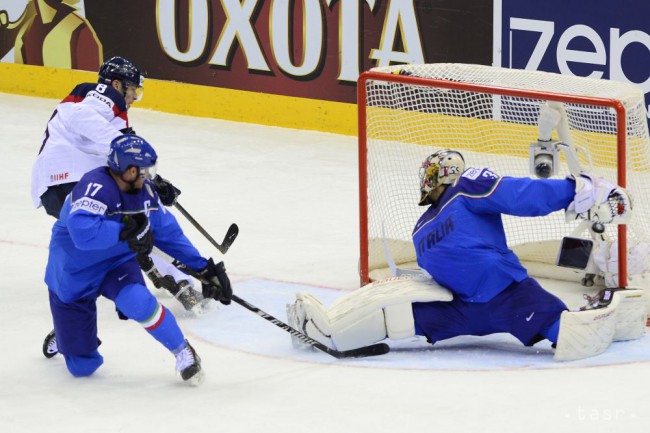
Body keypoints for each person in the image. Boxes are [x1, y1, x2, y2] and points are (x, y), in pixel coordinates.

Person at [286, 105, 645, 361]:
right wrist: (575, 190)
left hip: (462, 311)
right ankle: (611, 306)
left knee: (402, 321)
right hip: (510, 297)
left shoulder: (419, 229)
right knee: (570, 333)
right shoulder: (465, 187)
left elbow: (448, 265)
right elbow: (519, 195)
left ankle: (326, 331)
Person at [43, 134, 232, 384]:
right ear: (130, 171)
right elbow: (83, 235)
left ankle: (182, 351)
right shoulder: (93, 188)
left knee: (139, 302)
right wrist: (123, 231)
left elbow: (168, 234)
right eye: (143, 170)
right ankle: (69, 335)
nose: (147, 176)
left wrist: (204, 269)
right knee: (82, 368)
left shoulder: (145, 194)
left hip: (116, 263)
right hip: (73, 270)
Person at [30, 56, 206, 319]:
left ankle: (154, 272)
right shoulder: (100, 95)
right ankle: (178, 281)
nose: (134, 96)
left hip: (57, 187)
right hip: (71, 181)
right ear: (115, 84)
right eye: (133, 89)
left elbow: (117, 163)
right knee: (138, 220)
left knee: (125, 228)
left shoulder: (110, 117)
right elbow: (84, 120)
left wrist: (153, 181)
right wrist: (142, 171)